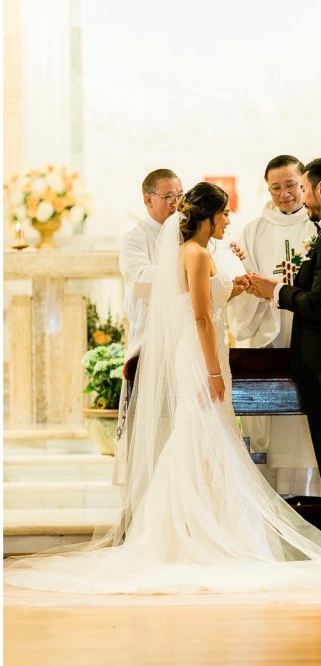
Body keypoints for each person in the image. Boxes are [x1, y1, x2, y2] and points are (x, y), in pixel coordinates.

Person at [5, 182, 321, 605]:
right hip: (203, 357)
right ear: (208, 216)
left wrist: (235, 289)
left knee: (200, 440)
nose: (228, 221)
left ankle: (194, 524)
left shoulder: (191, 251)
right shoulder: (198, 254)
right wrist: (214, 373)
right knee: (202, 438)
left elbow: (202, 305)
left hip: (203, 354)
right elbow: (201, 318)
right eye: (224, 214)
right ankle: (204, 529)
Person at [229, 155, 321, 497]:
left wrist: (278, 289)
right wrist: (256, 289)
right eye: (275, 187)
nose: (286, 194)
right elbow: (247, 287)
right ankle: (283, 505)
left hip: (320, 343)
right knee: (291, 434)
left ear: (308, 185)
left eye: (293, 186)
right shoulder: (253, 231)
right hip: (276, 336)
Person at [114, 169, 183, 486]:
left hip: (183, 343)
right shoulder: (135, 239)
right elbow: (143, 281)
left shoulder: (187, 233)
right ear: (148, 199)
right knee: (149, 430)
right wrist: (189, 268)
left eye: (180, 195)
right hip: (149, 343)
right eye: (169, 197)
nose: (176, 203)